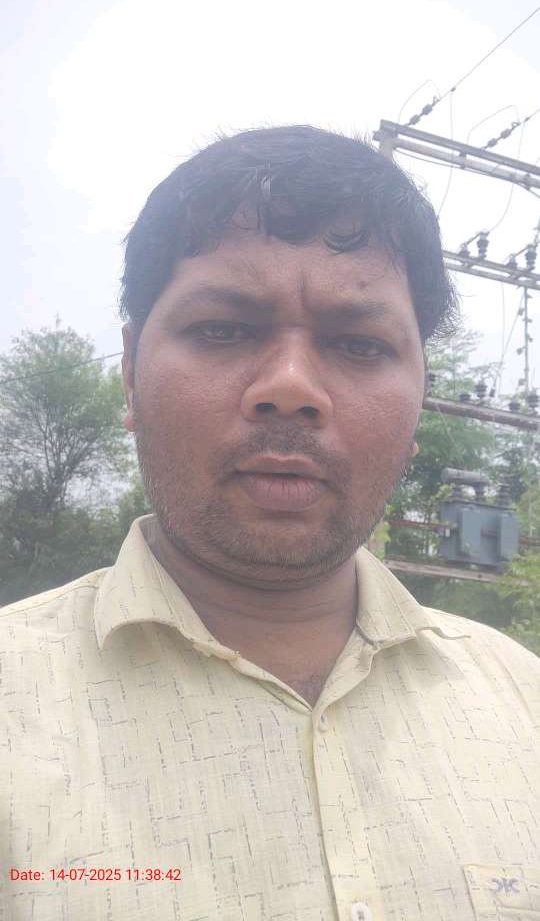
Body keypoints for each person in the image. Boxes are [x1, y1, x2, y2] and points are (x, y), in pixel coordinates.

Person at [1, 125, 539, 921]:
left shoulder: (524, 704)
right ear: (131, 373)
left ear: (421, 401)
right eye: (224, 330)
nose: (291, 388)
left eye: (359, 344)